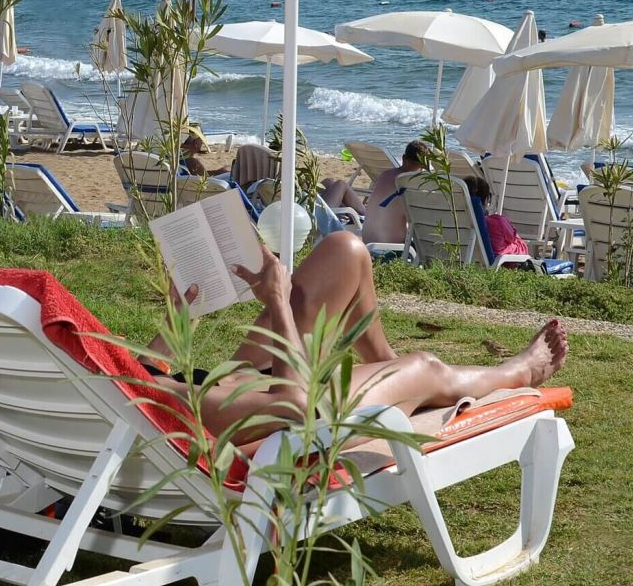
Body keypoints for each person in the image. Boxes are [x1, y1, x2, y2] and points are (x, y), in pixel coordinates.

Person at [142, 231, 567, 442]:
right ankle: (519, 371)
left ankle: (386, 364)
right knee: (427, 367)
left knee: (344, 252)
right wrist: (277, 304)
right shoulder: (157, 402)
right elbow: (292, 408)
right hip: (289, 416)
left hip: (234, 383)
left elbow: (140, 373)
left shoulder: (111, 381)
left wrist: (178, 317)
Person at [360, 139, 429, 245]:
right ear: (424, 165)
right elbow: (420, 224)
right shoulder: (412, 185)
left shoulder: (385, 175)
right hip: (390, 249)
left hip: (367, 242)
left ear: (403, 158)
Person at [466, 175, 529, 256]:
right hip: (503, 258)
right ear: (486, 200)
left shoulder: (459, 222)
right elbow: (512, 238)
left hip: (468, 256)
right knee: (520, 244)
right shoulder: (496, 221)